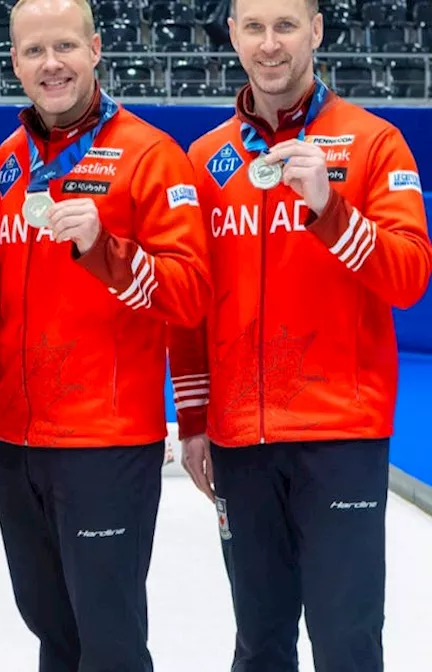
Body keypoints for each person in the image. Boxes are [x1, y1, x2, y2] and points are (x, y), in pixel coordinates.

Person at [168, 0, 431, 668]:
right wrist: (195, 419)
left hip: (339, 435)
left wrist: (330, 209)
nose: (269, 44)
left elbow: (409, 278)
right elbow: (191, 306)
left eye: (286, 26)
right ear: (232, 35)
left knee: (346, 643)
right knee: (259, 645)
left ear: (315, 30)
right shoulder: (206, 160)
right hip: (239, 441)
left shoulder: (373, 144)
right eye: (253, 27)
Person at [0, 0, 211, 669]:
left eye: (66, 47)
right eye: (35, 51)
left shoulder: (151, 157)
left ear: (97, 48)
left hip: (107, 444)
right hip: (18, 443)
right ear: (13, 61)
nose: (52, 65)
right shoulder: (3, 167)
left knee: (109, 640)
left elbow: (190, 297)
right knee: (52, 629)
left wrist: (107, 249)